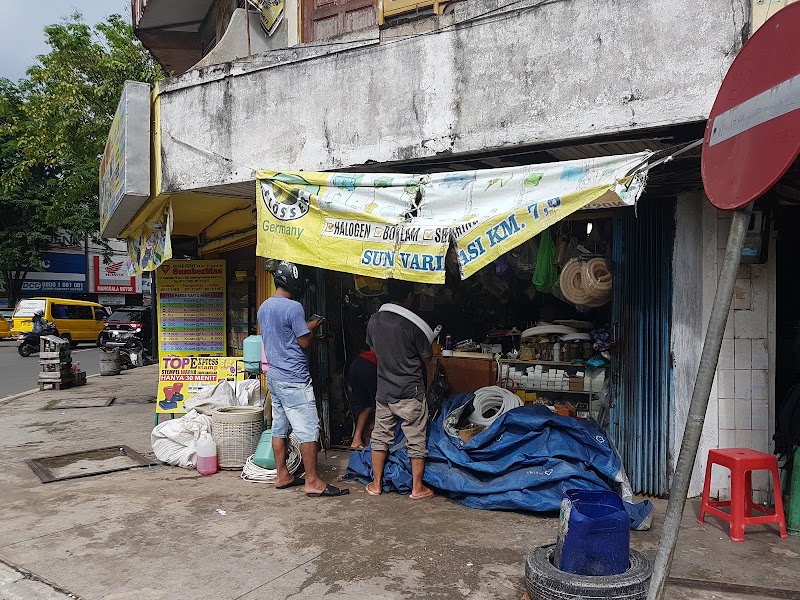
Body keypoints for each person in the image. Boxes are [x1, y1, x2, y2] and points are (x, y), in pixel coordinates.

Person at [258, 261, 349, 498]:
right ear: (294, 282)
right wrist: (311, 326)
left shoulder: (264, 307)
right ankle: (313, 482)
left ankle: (282, 474)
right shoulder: (294, 307)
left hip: (275, 377)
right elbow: (303, 341)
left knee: (279, 428)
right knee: (309, 430)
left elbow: (283, 336)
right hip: (294, 378)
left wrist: (304, 327)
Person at [365, 279, 434, 500]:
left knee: (380, 436)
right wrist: (428, 389)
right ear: (409, 296)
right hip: (410, 392)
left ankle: (376, 484)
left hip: (384, 391)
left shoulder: (374, 321)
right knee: (416, 439)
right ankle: (417, 488)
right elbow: (428, 361)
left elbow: (374, 350)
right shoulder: (412, 325)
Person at [348, 346, 377, 450]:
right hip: (370, 365)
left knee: (366, 405)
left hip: (356, 363)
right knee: (378, 404)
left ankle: (356, 439)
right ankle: (376, 443)